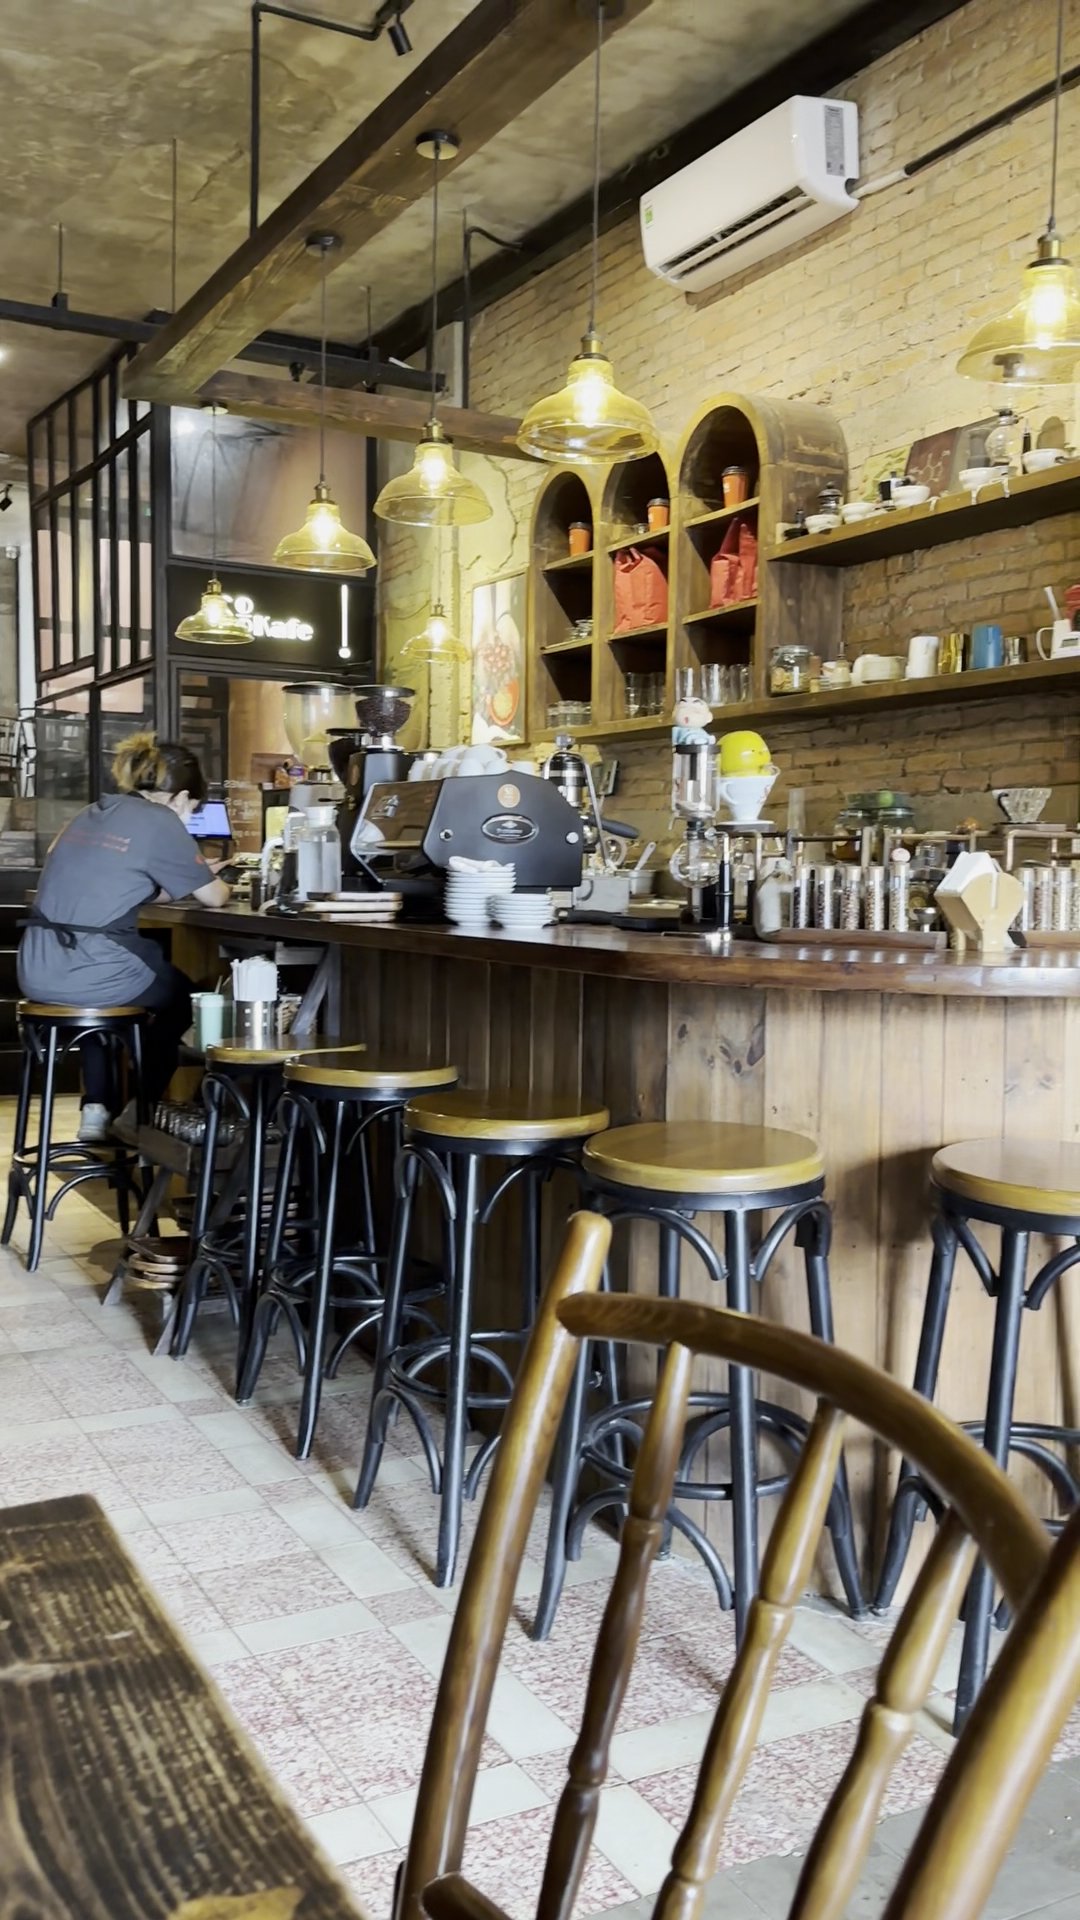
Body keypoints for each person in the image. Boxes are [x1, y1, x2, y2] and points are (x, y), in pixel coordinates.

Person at [18, 732, 229, 1141]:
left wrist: (178, 878)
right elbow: (216, 898)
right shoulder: (163, 820)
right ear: (182, 797)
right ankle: (138, 1112)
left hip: (39, 966)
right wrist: (209, 874)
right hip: (93, 966)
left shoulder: (93, 811)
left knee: (107, 999)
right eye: (194, 807)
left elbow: (101, 876)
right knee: (184, 1000)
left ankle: (96, 1107)